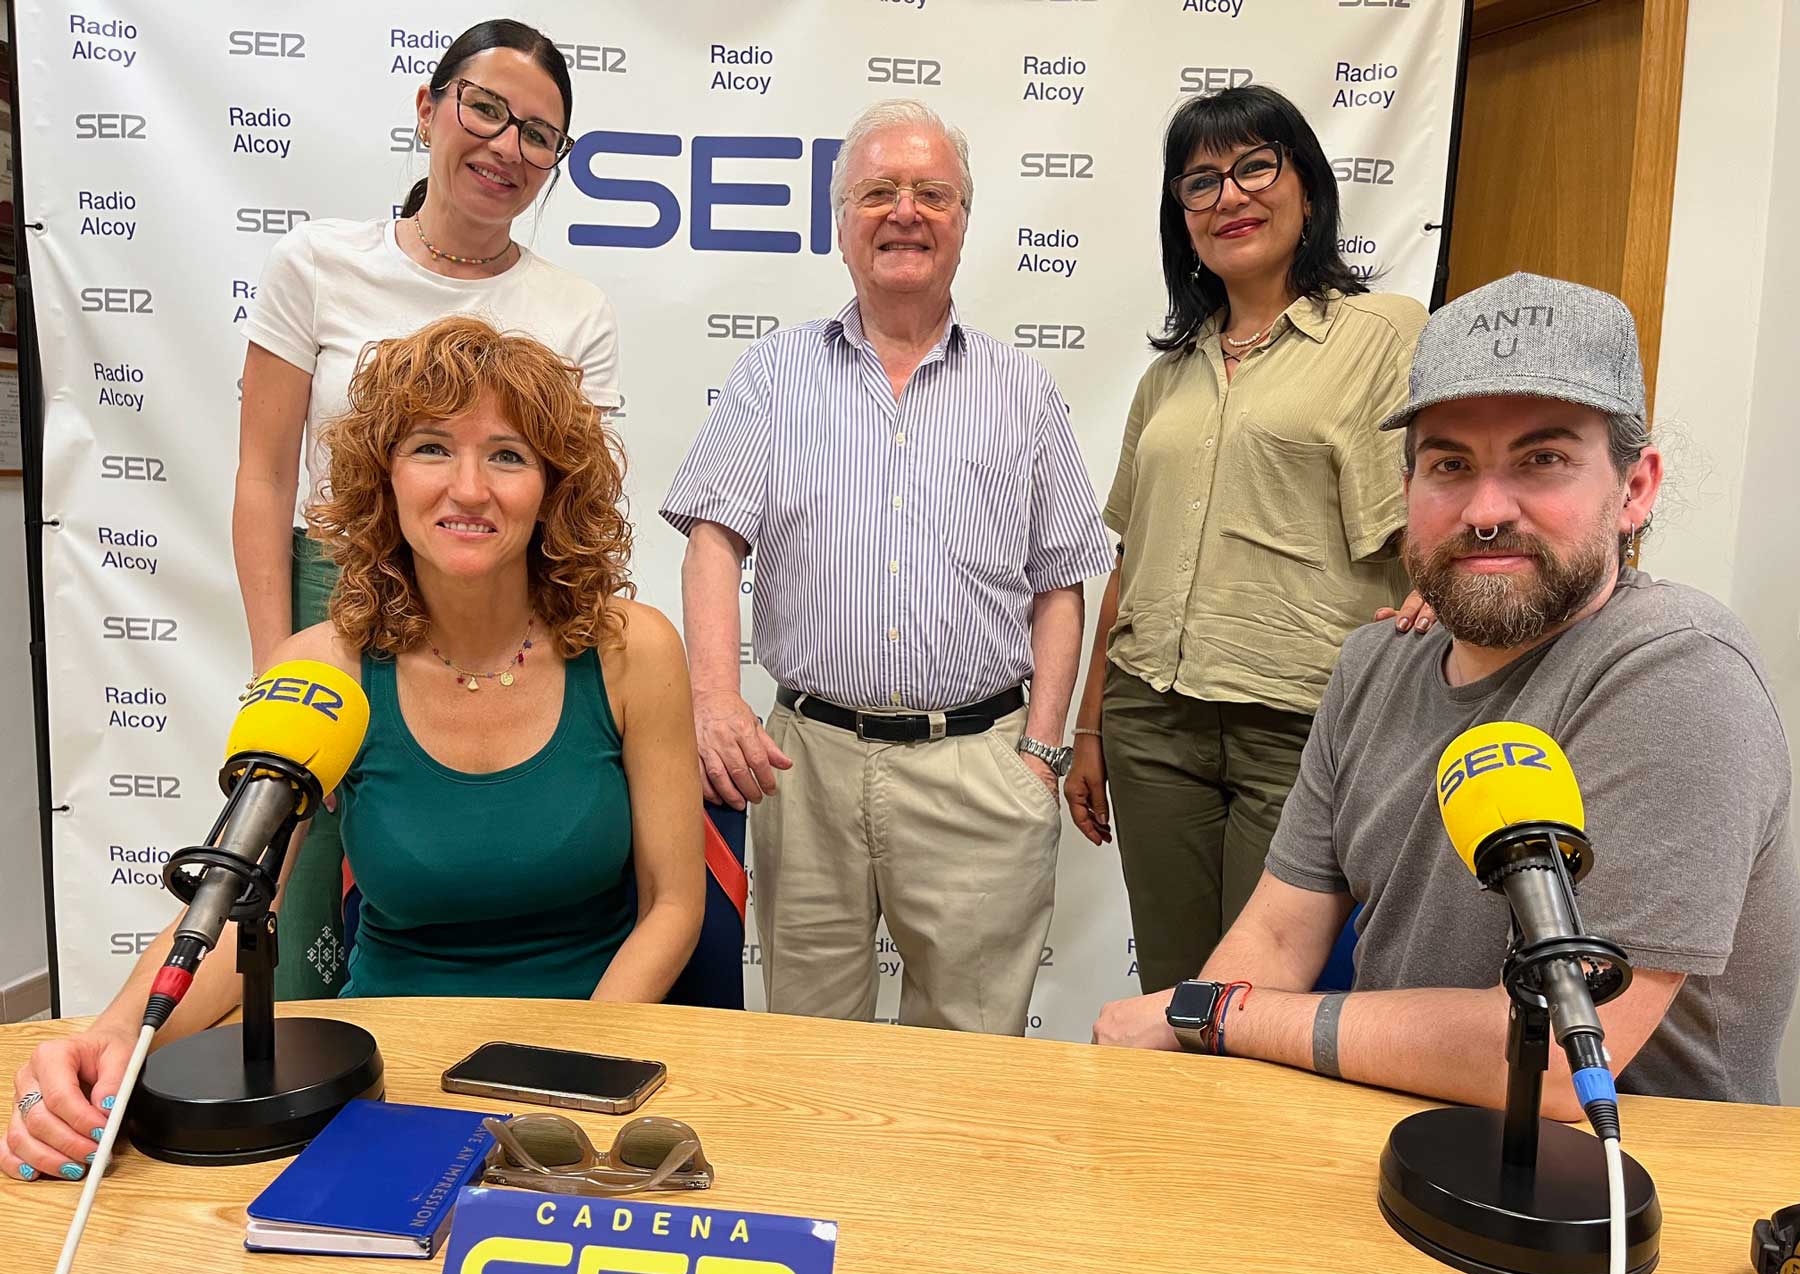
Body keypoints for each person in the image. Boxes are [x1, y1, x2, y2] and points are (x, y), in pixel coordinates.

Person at [3, 317, 703, 1183]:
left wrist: (562, 1073)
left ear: (555, 488)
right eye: (432, 448)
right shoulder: (318, 667)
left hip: (593, 1067)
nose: (470, 488)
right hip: (392, 1067)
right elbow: (232, 917)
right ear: (384, 479)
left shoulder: (634, 648)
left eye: (510, 455)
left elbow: (674, 902)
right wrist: (109, 1041)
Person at [1094, 272, 1800, 1110]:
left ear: (1634, 489)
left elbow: (1562, 1057)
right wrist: (1205, 1053)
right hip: (1390, 1134)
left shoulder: (1679, 673)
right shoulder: (1371, 667)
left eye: (1543, 460)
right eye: (1449, 464)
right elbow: (1280, 933)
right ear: (1405, 491)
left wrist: (1212, 1018)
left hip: (1630, 1195)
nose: (1487, 508)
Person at [660, 99, 1114, 1036]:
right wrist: (712, 697)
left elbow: (1061, 582)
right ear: (838, 225)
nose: (905, 211)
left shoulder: (1021, 390)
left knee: (970, 1058)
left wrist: (1040, 752)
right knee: (808, 1045)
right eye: (877, 192)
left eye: (931, 193)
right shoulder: (774, 373)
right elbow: (713, 539)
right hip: (810, 764)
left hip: (980, 767)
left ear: (962, 223)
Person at [233, 18, 622, 1000]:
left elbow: (579, 500)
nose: (507, 147)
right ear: (430, 108)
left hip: (501, 616)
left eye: (539, 134)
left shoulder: (574, 308)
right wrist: (278, 665)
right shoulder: (318, 265)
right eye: (485, 109)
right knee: (289, 905)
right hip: (333, 609)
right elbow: (262, 478)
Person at [1063, 86, 1431, 995]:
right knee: (1175, 993)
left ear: (1307, 187)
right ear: (1179, 218)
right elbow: (1129, 556)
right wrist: (1091, 723)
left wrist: (1449, 584)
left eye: (1255, 166)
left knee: (1259, 1006)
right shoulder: (1169, 375)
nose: (1230, 196)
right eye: (1200, 183)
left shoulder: (1386, 333)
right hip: (1153, 721)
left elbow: (1439, 505)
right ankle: (1173, 1145)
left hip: (1298, 726)